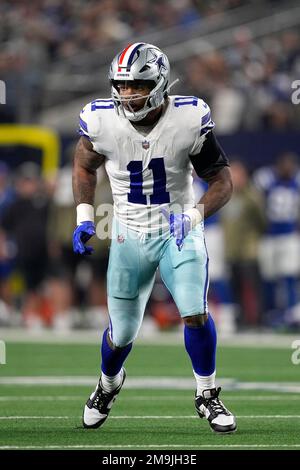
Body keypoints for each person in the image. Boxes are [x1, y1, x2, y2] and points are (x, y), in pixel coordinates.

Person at [72, 43, 236, 434]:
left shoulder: (189, 117)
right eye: (122, 85)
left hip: (177, 230)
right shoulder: (100, 120)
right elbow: (83, 164)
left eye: (138, 85)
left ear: (160, 83)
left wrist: (194, 215)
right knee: (122, 332)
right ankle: (108, 384)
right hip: (127, 232)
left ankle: (207, 395)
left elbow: (222, 180)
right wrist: (84, 216)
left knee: (194, 310)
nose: (128, 94)